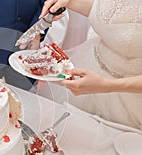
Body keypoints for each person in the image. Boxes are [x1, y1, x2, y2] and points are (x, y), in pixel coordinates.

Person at [40, 0, 142, 130]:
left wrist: (106, 85)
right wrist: (68, 2)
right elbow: (109, 11)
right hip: (90, 66)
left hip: (128, 96)